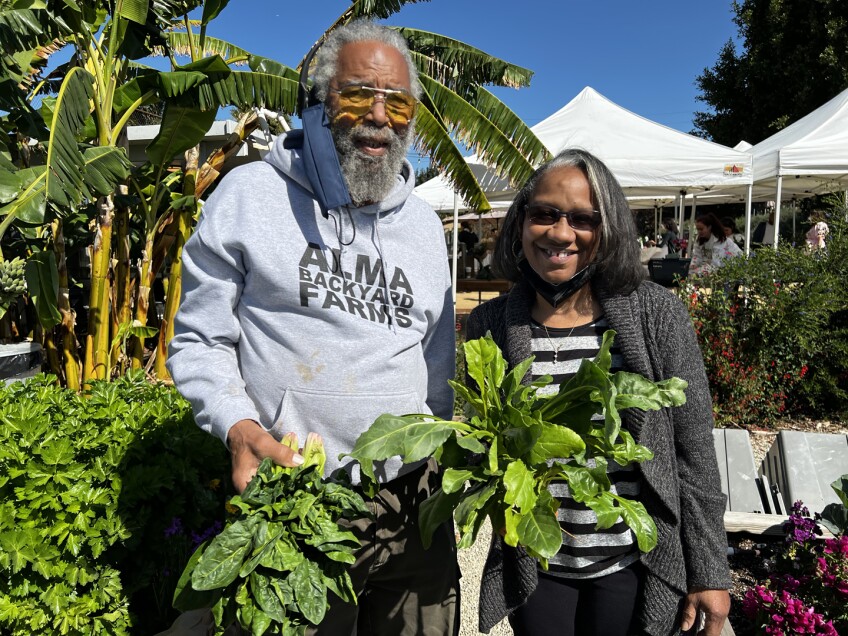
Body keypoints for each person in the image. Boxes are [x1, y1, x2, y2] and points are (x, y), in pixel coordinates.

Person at [167, 20, 459, 635]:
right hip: (296, 491)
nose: (380, 116)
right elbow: (200, 339)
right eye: (358, 94)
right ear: (321, 102)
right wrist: (238, 428)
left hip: (413, 501)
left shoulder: (426, 229)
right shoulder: (250, 195)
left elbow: (436, 367)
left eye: (398, 101)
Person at [469, 149, 731, 636]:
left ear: (607, 228)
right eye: (545, 213)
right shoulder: (491, 324)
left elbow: (693, 451)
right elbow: (487, 445)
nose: (561, 233)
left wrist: (710, 571)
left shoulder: (656, 315)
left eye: (583, 220)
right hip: (539, 564)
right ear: (521, 221)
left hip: (632, 563)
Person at [689, 213, 743, 277]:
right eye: (698, 229)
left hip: (735, 268)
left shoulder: (719, 239)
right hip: (720, 269)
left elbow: (716, 264)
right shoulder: (699, 240)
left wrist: (698, 272)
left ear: (709, 227)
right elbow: (697, 256)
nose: (699, 232)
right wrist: (692, 267)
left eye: (701, 229)